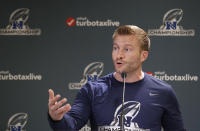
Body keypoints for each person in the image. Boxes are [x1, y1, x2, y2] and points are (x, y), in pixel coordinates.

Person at [48, 25, 185, 131]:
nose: (118, 55)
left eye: (127, 49)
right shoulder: (92, 89)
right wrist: (57, 119)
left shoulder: (163, 92)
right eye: (115, 48)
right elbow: (71, 125)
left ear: (143, 55)